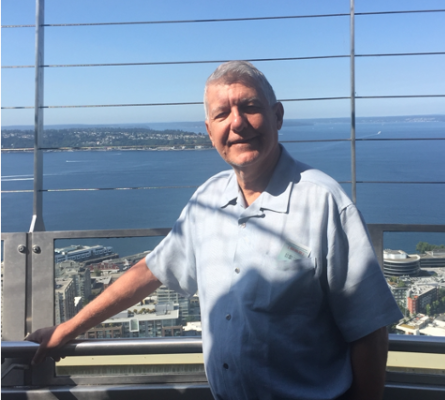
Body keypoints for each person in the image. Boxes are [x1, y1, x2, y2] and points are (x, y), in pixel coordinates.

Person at [28, 61, 402, 400]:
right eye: (222, 114)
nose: (237, 123)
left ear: (277, 116)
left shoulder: (324, 203)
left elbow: (369, 328)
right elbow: (150, 271)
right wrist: (69, 328)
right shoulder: (207, 200)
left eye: (250, 107)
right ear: (209, 131)